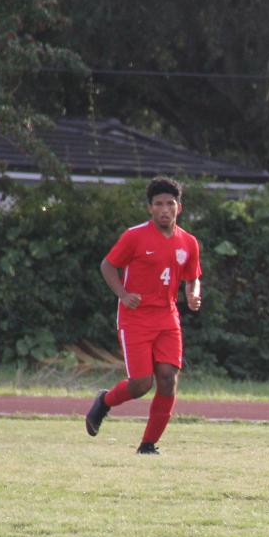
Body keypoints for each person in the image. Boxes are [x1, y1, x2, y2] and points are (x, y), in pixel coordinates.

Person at [84, 177, 202, 455]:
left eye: (170, 204)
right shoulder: (134, 236)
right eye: (158, 204)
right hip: (135, 318)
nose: (164, 209)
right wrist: (123, 294)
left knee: (167, 378)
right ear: (150, 208)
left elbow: (193, 277)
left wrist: (194, 293)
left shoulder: (189, 243)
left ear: (179, 208)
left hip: (167, 318)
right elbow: (108, 266)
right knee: (141, 384)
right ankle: (105, 401)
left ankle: (148, 445)